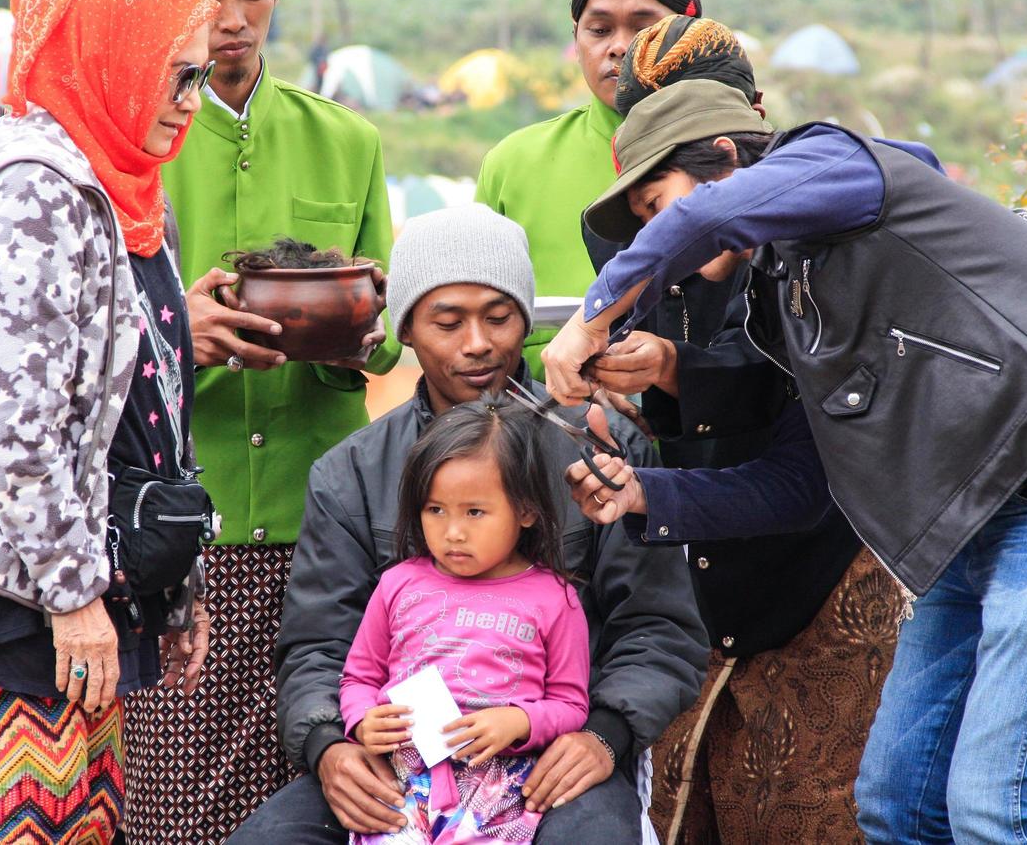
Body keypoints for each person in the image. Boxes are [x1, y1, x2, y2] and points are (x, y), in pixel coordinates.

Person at [546, 14, 1027, 844]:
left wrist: (594, 314)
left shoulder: (835, 162)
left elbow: (705, 223)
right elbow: (797, 484)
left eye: (655, 204)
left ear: (729, 164)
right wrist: (642, 491)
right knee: (897, 807)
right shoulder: (781, 307)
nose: (649, 234)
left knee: (998, 813)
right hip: (973, 521)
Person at [229, 205, 709, 845]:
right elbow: (318, 644)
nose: (478, 342)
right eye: (448, 322)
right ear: (407, 330)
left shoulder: (602, 452)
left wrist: (604, 734)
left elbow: (657, 625)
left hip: (551, 756)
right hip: (395, 761)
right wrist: (328, 747)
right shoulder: (350, 473)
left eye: (500, 316)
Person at [0, 0, 218, 844]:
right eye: (176, 72)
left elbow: (153, 398)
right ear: (112, 58)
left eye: (202, 75)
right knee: (42, 826)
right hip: (28, 574)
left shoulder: (128, 187)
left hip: (87, 556)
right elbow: (17, 428)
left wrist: (175, 587)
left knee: (90, 822)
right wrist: (73, 598)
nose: (192, 96)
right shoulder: (37, 192)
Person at [565, 21, 899, 843]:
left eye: (662, 206)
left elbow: (798, 458)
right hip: (701, 589)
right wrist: (639, 400)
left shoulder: (817, 238)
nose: (655, 234)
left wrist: (674, 368)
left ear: (742, 136)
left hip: (821, 587)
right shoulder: (643, 257)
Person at [122, 0, 399, 840]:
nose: (232, 21)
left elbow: (386, 327)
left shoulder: (347, 140)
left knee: (330, 794)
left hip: (320, 524)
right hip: (176, 531)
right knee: (177, 809)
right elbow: (82, 337)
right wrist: (172, 332)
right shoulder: (130, 144)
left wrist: (358, 340)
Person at [342, 400, 591, 844]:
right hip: (399, 789)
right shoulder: (398, 584)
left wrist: (518, 723)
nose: (452, 532)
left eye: (474, 512)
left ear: (526, 511)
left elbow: (571, 704)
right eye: (435, 510)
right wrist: (363, 721)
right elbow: (359, 676)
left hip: (500, 796)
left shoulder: (555, 598)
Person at [475, 0, 702, 378]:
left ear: (694, 37)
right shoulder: (514, 163)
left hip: (718, 438)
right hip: (549, 432)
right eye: (599, 29)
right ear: (576, 39)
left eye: (643, 28)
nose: (618, 46)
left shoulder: (740, 162)